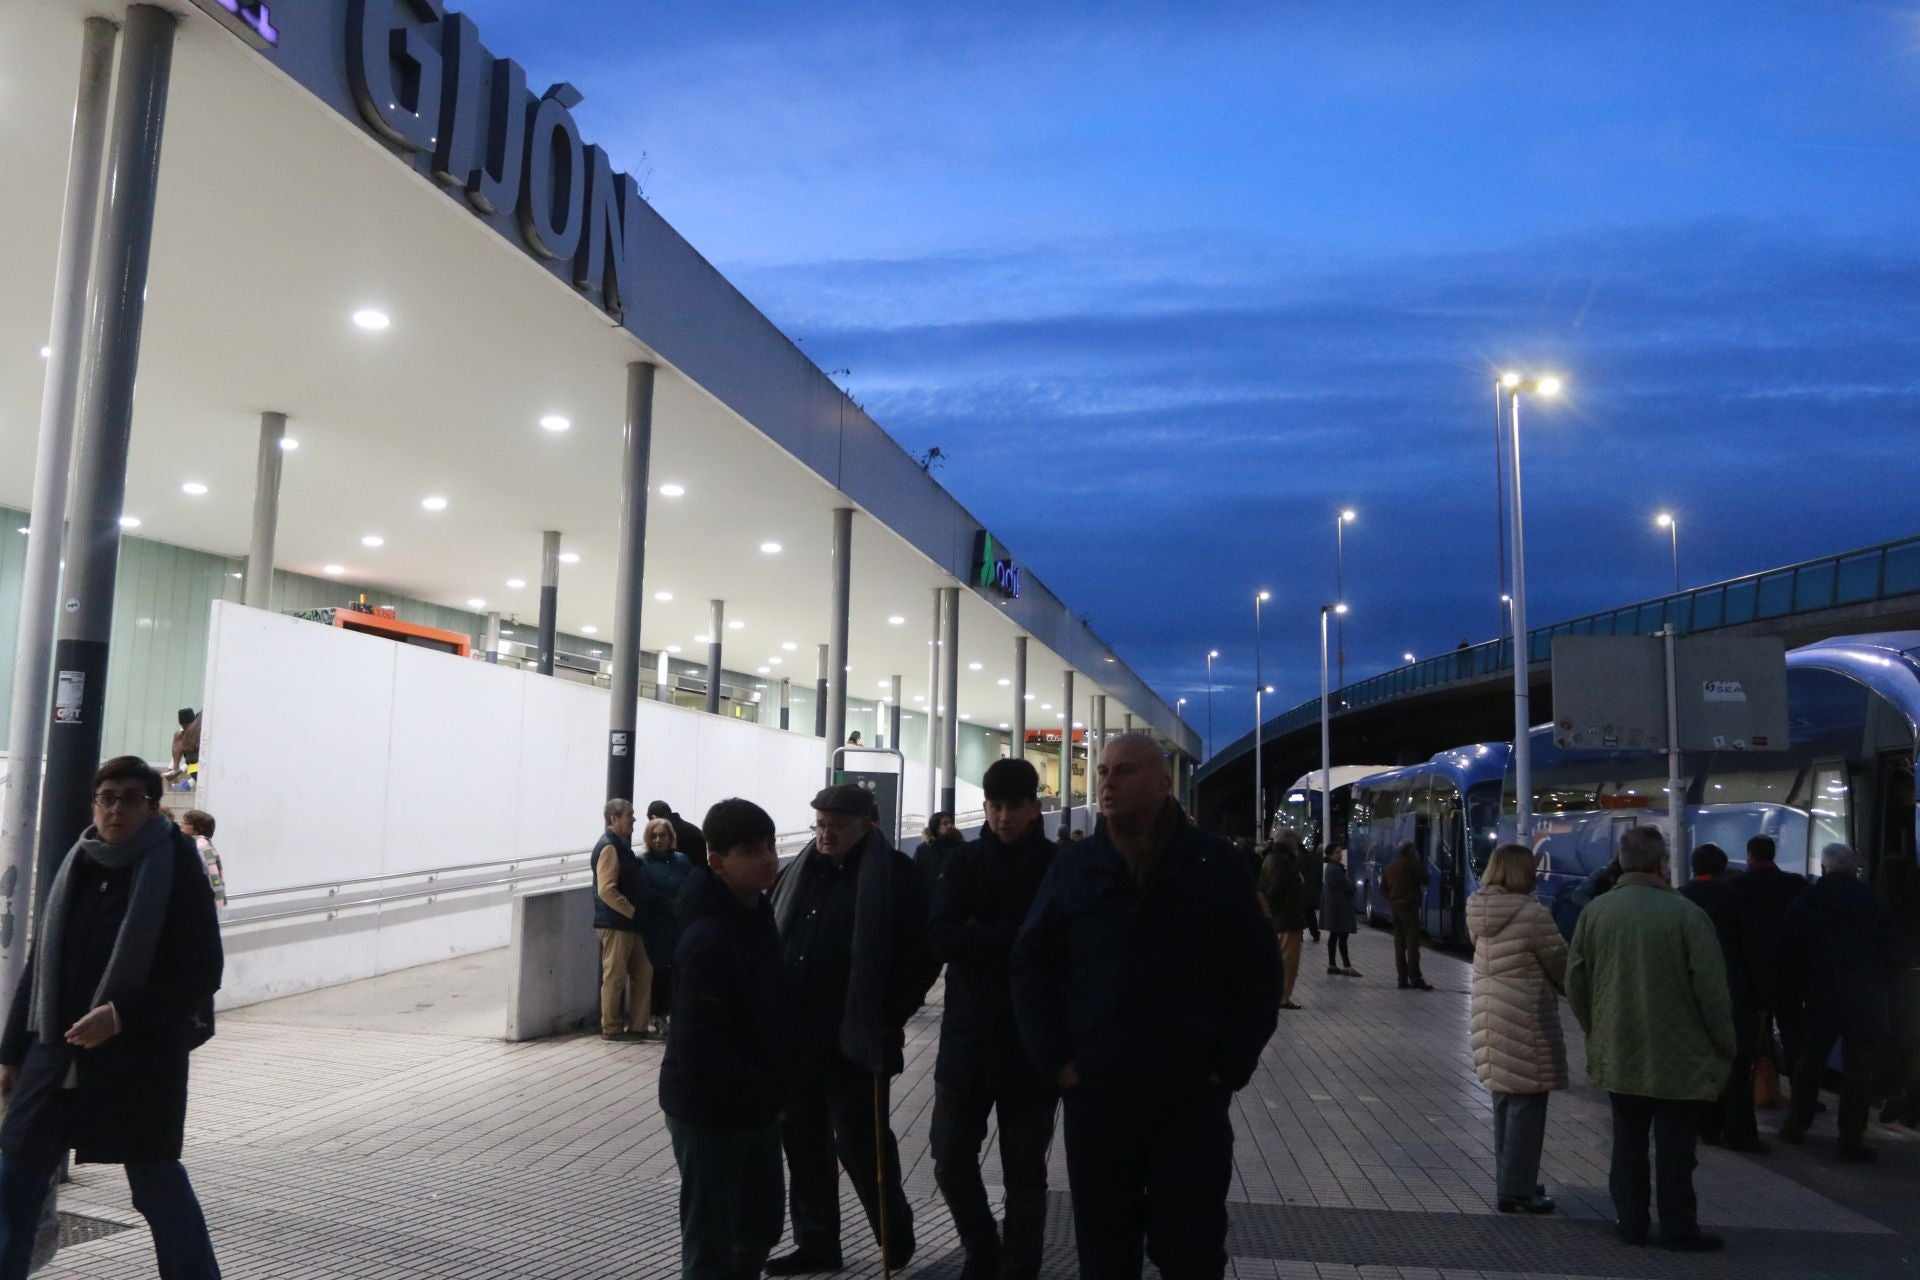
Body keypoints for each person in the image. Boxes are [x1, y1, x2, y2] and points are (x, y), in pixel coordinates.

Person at [1013, 734, 1280, 1280]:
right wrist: (1057, 1062)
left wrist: (1229, 1065)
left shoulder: (1215, 865)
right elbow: (1030, 965)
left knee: (1191, 1252)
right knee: (1104, 1254)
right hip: (1098, 1098)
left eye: (1124, 771)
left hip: (1189, 1100)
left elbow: (1258, 972)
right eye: (1103, 771)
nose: (1107, 783)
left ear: (1162, 784)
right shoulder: (1075, 866)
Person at [0, 755, 223, 1279]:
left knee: (156, 1185)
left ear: (152, 807)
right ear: (93, 805)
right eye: (106, 798)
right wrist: (11, 1053)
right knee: (13, 1181)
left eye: (130, 799)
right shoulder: (79, 861)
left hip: (138, 1062)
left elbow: (201, 972)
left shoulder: (176, 865)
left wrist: (120, 1016)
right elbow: (40, 961)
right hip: (55, 1055)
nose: (115, 809)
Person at [766, 785, 935, 1275]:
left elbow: (922, 955)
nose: (825, 834)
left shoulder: (895, 875)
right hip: (798, 1035)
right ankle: (816, 1243)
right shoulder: (799, 871)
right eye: (820, 824)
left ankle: (893, 1235)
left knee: (861, 1143)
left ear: (867, 824)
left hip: (856, 1038)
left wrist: (888, 1013)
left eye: (836, 825)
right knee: (802, 1143)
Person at [1566, 825, 1733, 1252]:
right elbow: (1712, 990)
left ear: (1622, 862)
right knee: (1676, 1145)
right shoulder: (1687, 915)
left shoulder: (1596, 912)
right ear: (1662, 864)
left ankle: (1631, 1223)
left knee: (1627, 1140)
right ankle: (1678, 1228)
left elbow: (1576, 980)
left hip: (1619, 1046)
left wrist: (1595, 1026)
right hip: (1680, 1052)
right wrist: (1724, 1042)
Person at [928, 758, 1059, 1280]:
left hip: (1032, 1041)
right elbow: (941, 936)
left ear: (1034, 808)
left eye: (1013, 807)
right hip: (968, 1038)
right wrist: (1015, 938)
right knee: (948, 1157)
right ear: (984, 807)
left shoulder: (1057, 865)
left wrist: (979, 932)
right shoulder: (962, 862)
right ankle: (982, 1251)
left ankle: (1019, 1269)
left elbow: (1059, 945)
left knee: (1025, 1173)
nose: (1003, 817)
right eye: (995, 806)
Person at [661, 798, 788, 1280]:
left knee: (759, 1227)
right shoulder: (708, 936)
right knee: (712, 1241)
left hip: (756, 1105)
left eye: (770, 846)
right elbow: (698, 1045)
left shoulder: (758, 913)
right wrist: (758, 1087)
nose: (768, 859)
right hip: (709, 1112)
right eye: (751, 851)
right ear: (717, 861)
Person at [1779, 843, 1904, 1161]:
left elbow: (1791, 952)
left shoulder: (1807, 901)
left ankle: (1796, 1126)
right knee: (1859, 1075)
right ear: (1854, 870)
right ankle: (1851, 1139)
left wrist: (1797, 991)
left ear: (1823, 868)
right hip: (1866, 999)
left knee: (1810, 1065)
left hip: (1821, 997)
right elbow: (1893, 953)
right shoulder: (1875, 902)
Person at [1468, 843, 1567, 1215]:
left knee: (1506, 1102)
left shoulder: (1477, 909)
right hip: (1525, 1016)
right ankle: (1517, 1191)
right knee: (1528, 1104)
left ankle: (1512, 1180)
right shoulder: (1533, 915)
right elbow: (1560, 964)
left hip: (1489, 1013)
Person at [1678, 844, 1767, 1152]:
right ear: (1722, 868)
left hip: (1690, 996)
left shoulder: (1679, 901)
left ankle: (1706, 1126)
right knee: (1736, 1066)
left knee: (1699, 1061)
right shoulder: (1738, 903)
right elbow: (1754, 955)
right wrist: (1762, 998)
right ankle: (1739, 1133)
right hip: (1734, 994)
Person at [1729, 834, 1807, 1107]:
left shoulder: (1737, 887)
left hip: (1750, 973)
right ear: (1773, 855)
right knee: (1793, 1032)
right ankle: (1802, 1093)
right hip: (1789, 970)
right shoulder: (1794, 884)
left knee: (1750, 1033)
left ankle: (1751, 1089)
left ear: (1750, 855)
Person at [594, 800, 655, 1040]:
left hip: (630, 923)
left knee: (644, 971)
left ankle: (638, 1026)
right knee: (615, 976)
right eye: (630, 815)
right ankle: (611, 1028)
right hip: (616, 923)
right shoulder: (610, 847)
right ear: (614, 819)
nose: (634, 819)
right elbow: (606, 889)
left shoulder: (620, 846)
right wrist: (630, 910)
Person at [639, 817, 695, 1038]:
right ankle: (657, 1014)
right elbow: (647, 892)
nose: (658, 840)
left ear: (670, 837)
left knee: (677, 970)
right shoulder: (643, 862)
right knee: (658, 971)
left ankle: (674, 1012)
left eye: (662, 835)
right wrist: (672, 905)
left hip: (679, 925)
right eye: (653, 836)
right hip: (657, 925)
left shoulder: (682, 860)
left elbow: (691, 885)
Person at [1878, 851, 1920, 1127]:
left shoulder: (1882, 907)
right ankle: (1912, 1106)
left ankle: (1899, 1100)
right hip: (1915, 984)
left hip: (1896, 986)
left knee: (1896, 1048)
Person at [1259, 834, 1308, 1010]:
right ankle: (1283, 997)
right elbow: (1277, 890)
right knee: (1288, 961)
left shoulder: (1270, 858)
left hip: (1279, 919)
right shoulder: (1284, 862)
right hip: (1288, 919)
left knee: (1279, 959)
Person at [1381, 840, 1432, 990]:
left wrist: (1393, 898)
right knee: (1412, 944)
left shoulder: (1390, 866)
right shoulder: (1413, 865)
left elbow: (1382, 889)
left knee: (1399, 944)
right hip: (1409, 906)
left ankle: (1401, 979)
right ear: (1411, 852)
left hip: (1395, 906)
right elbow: (1426, 880)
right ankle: (1415, 978)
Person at [1322, 846, 1360, 977]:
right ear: (1330, 855)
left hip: (1335, 907)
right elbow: (1348, 886)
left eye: (1340, 852)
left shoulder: (1332, 868)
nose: (1340, 855)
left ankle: (1332, 965)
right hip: (1340, 907)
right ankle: (1347, 966)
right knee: (1342, 936)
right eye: (1337, 853)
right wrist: (1352, 886)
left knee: (1335, 935)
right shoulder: (1335, 870)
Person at [177, 810, 226, 910]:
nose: (181, 825)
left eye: (184, 822)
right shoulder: (206, 844)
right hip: (213, 903)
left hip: (202, 905)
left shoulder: (197, 846)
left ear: (197, 828)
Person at [913, 812, 963, 895]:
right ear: (935, 827)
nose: (950, 826)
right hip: (931, 897)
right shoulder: (924, 850)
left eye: (951, 823)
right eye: (945, 823)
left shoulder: (961, 847)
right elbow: (915, 875)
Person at [1298, 841, 1324, 943]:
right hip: (1312, 891)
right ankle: (1315, 934)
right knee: (1310, 914)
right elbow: (1319, 873)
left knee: (1301, 914)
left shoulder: (1297, 859)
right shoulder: (1313, 857)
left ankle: (1300, 934)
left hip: (1302, 891)